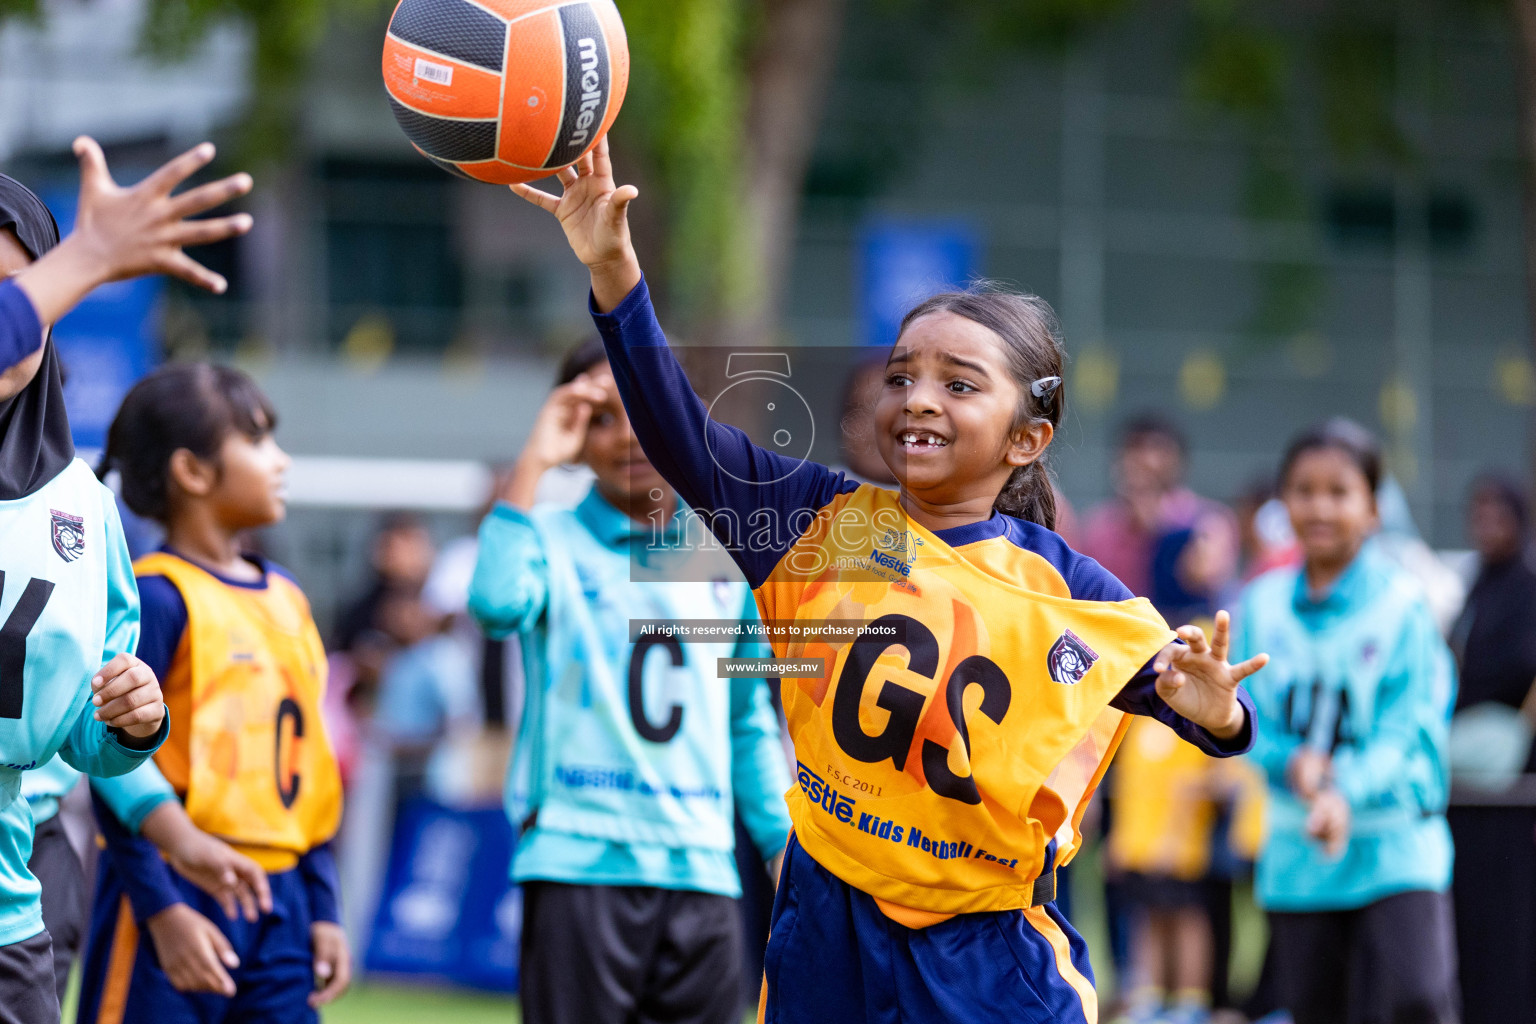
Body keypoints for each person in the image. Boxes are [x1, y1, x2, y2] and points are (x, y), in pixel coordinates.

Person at [510, 138, 1264, 1024]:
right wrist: (615, 271)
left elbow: (1207, 719)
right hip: (828, 925)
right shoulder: (824, 522)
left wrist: (1218, 710)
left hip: (986, 953)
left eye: (959, 382)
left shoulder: (1067, 589)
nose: (918, 397)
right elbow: (680, 435)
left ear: (1027, 438)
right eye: (904, 374)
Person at [467, 335, 793, 1024]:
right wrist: (533, 462)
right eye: (600, 417)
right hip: (579, 861)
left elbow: (747, 719)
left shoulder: (727, 557)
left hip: (703, 866)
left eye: (645, 409)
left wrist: (780, 843)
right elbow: (496, 604)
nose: (627, 436)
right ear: (573, 435)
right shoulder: (549, 539)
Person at [0, 137, 251, 1024]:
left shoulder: (82, 508)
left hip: (14, 895)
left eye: (14, 286)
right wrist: (91, 256)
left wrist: (135, 721)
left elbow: (91, 737)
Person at [74, 363, 350, 1022]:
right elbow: (112, 762)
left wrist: (323, 905)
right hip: (172, 888)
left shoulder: (289, 599)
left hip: (280, 902)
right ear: (192, 472)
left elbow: (310, 772)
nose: (280, 460)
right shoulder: (158, 597)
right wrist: (161, 909)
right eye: (257, 441)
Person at [1236, 419, 1459, 1024]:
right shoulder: (1259, 605)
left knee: (1417, 998)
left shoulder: (1403, 607)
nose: (1320, 506)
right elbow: (1243, 721)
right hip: (1297, 849)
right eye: (1304, 490)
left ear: (1373, 507)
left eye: (1340, 491)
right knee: (1314, 1009)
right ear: (1284, 503)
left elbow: (1406, 730)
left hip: (1395, 843)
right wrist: (1290, 764)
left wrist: (1343, 791)